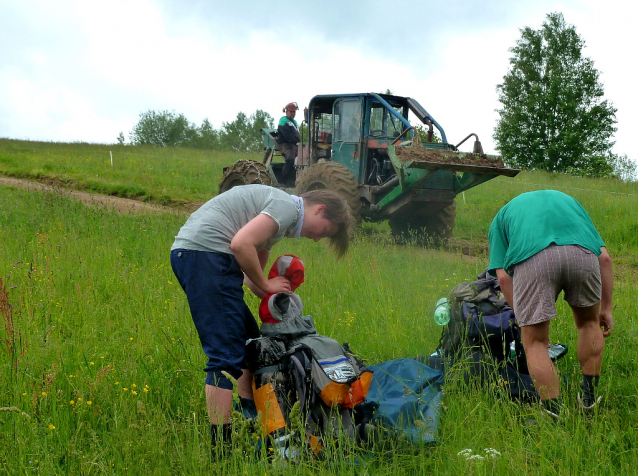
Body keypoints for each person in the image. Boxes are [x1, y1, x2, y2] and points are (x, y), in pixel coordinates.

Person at [169, 184, 351, 451]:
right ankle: (222, 447)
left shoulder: (280, 218)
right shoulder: (287, 207)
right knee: (223, 358)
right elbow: (240, 244)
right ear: (319, 209)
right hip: (205, 257)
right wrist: (268, 287)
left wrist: (272, 295)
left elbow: (251, 272)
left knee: (251, 345)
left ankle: (253, 425)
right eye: (324, 231)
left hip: (207, 259)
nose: (315, 239)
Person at [487, 190, 613, 417]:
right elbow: (604, 258)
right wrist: (606, 308)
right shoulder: (572, 204)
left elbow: (504, 277)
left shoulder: (501, 218)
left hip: (533, 259)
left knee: (535, 342)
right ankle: (589, 402)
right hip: (582, 255)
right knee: (588, 324)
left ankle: (554, 414)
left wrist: (524, 318)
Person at [277, 102, 301, 187]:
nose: (293, 113)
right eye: (291, 112)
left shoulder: (294, 122)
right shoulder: (283, 121)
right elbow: (286, 135)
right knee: (290, 160)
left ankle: (293, 182)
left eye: (294, 112)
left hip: (294, 144)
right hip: (285, 144)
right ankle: (282, 182)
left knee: (300, 162)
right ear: (286, 111)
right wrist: (296, 142)